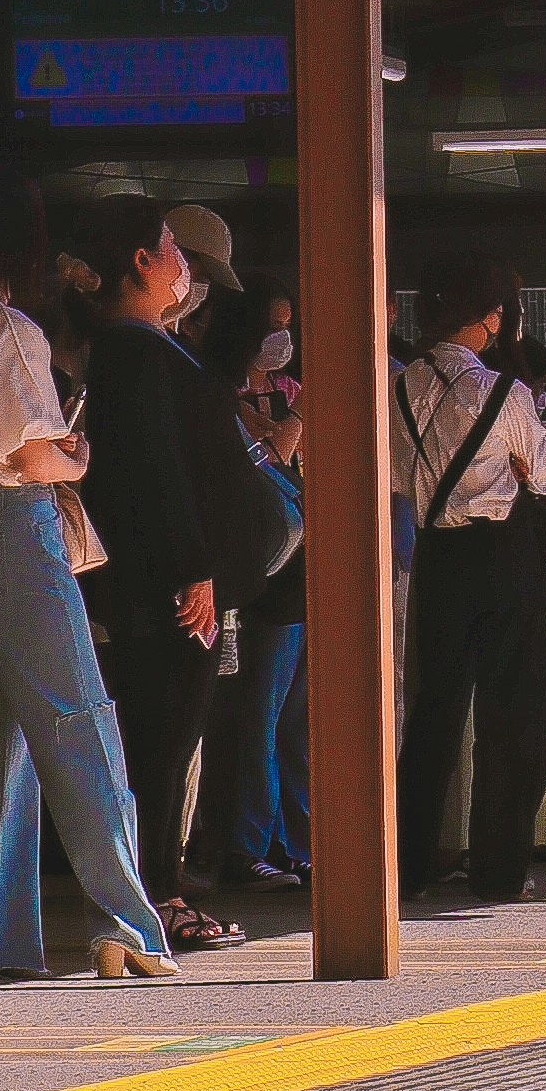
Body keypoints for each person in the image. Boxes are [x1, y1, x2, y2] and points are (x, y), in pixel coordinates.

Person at [0, 164, 174, 984]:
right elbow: (30, 452)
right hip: (19, 538)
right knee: (82, 728)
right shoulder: (4, 328)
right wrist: (77, 456)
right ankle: (124, 922)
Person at [68, 193, 248, 951]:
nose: (182, 263)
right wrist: (195, 567)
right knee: (163, 743)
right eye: (171, 244)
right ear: (141, 261)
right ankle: (159, 894)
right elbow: (158, 473)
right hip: (170, 588)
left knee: (166, 741)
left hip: (167, 580)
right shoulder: (135, 353)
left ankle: (154, 891)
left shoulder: (139, 346)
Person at [393, 273, 546, 903]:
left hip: (437, 554)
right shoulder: (506, 392)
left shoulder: (399, 387)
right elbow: (545, 480)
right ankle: (499, 869)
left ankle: (407, 863)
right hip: (502, 555)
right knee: (510, 714)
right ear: (487, 319)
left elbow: (396, 475)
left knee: (433, 712)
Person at [211, 286, 309, 888]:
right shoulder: (223, 401)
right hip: (262, 584)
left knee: (292, 721)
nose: (282, 340)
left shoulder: (286, 392)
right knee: (260, 718)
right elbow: (274, 454)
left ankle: (293, 840)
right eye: (272, 327)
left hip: (296, 576)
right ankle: (249, 844)